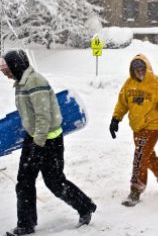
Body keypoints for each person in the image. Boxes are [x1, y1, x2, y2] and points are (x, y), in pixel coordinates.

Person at [0, 50, 96, 236]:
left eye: (6, 68)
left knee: (54, 182)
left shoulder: (35, 81)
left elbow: (44, 115)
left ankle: (85, 207)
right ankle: (26, 225)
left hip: (48, 141)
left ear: (16, 65)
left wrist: (38, 143)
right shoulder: (22, 83)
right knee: (24, 182)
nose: (5, 72)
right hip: (35, 138)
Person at [109, 54, 158, 207]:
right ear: (132, 70)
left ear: (147, 67)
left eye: (141, 67)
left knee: (140, 156)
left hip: (153, 127)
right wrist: (115, 119)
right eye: (136, 68)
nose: (139, 71)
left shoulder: (157, 84)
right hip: (137, 127)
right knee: (148, 156)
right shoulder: (129, 84)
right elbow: (122, 104)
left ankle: (135, 190)